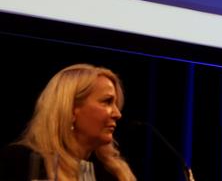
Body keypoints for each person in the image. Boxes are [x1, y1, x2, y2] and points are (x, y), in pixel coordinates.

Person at [0, 63, 136, 181]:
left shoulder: (114, 173)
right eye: (107, 102)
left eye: (116, 104)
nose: (118, 114)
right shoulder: (20, 162)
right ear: (70, 109)